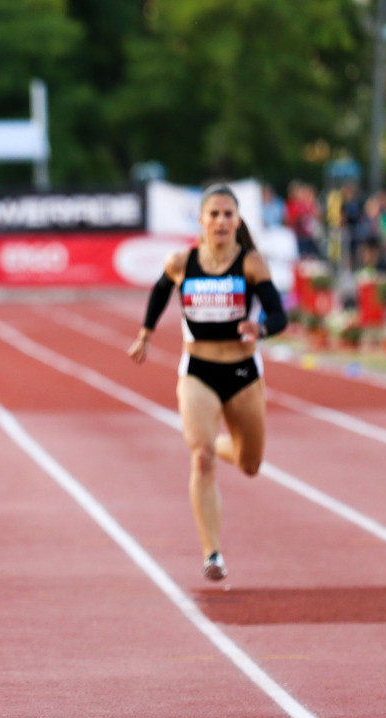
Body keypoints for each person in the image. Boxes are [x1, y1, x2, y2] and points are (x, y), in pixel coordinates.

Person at [127, 184, 287, 581]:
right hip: (198, 371)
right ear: (201, 220)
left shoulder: (250, 264)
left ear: (237, 220)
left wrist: (260, 327)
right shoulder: (182, 262)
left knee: (250, 463)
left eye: (228, 214)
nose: (220, 221)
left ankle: (216, 444)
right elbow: (160, 291)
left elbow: (280, 316)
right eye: (213, 214)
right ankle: (212, 554)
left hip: (243, 374)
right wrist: (146, 333)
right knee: (200, 458)